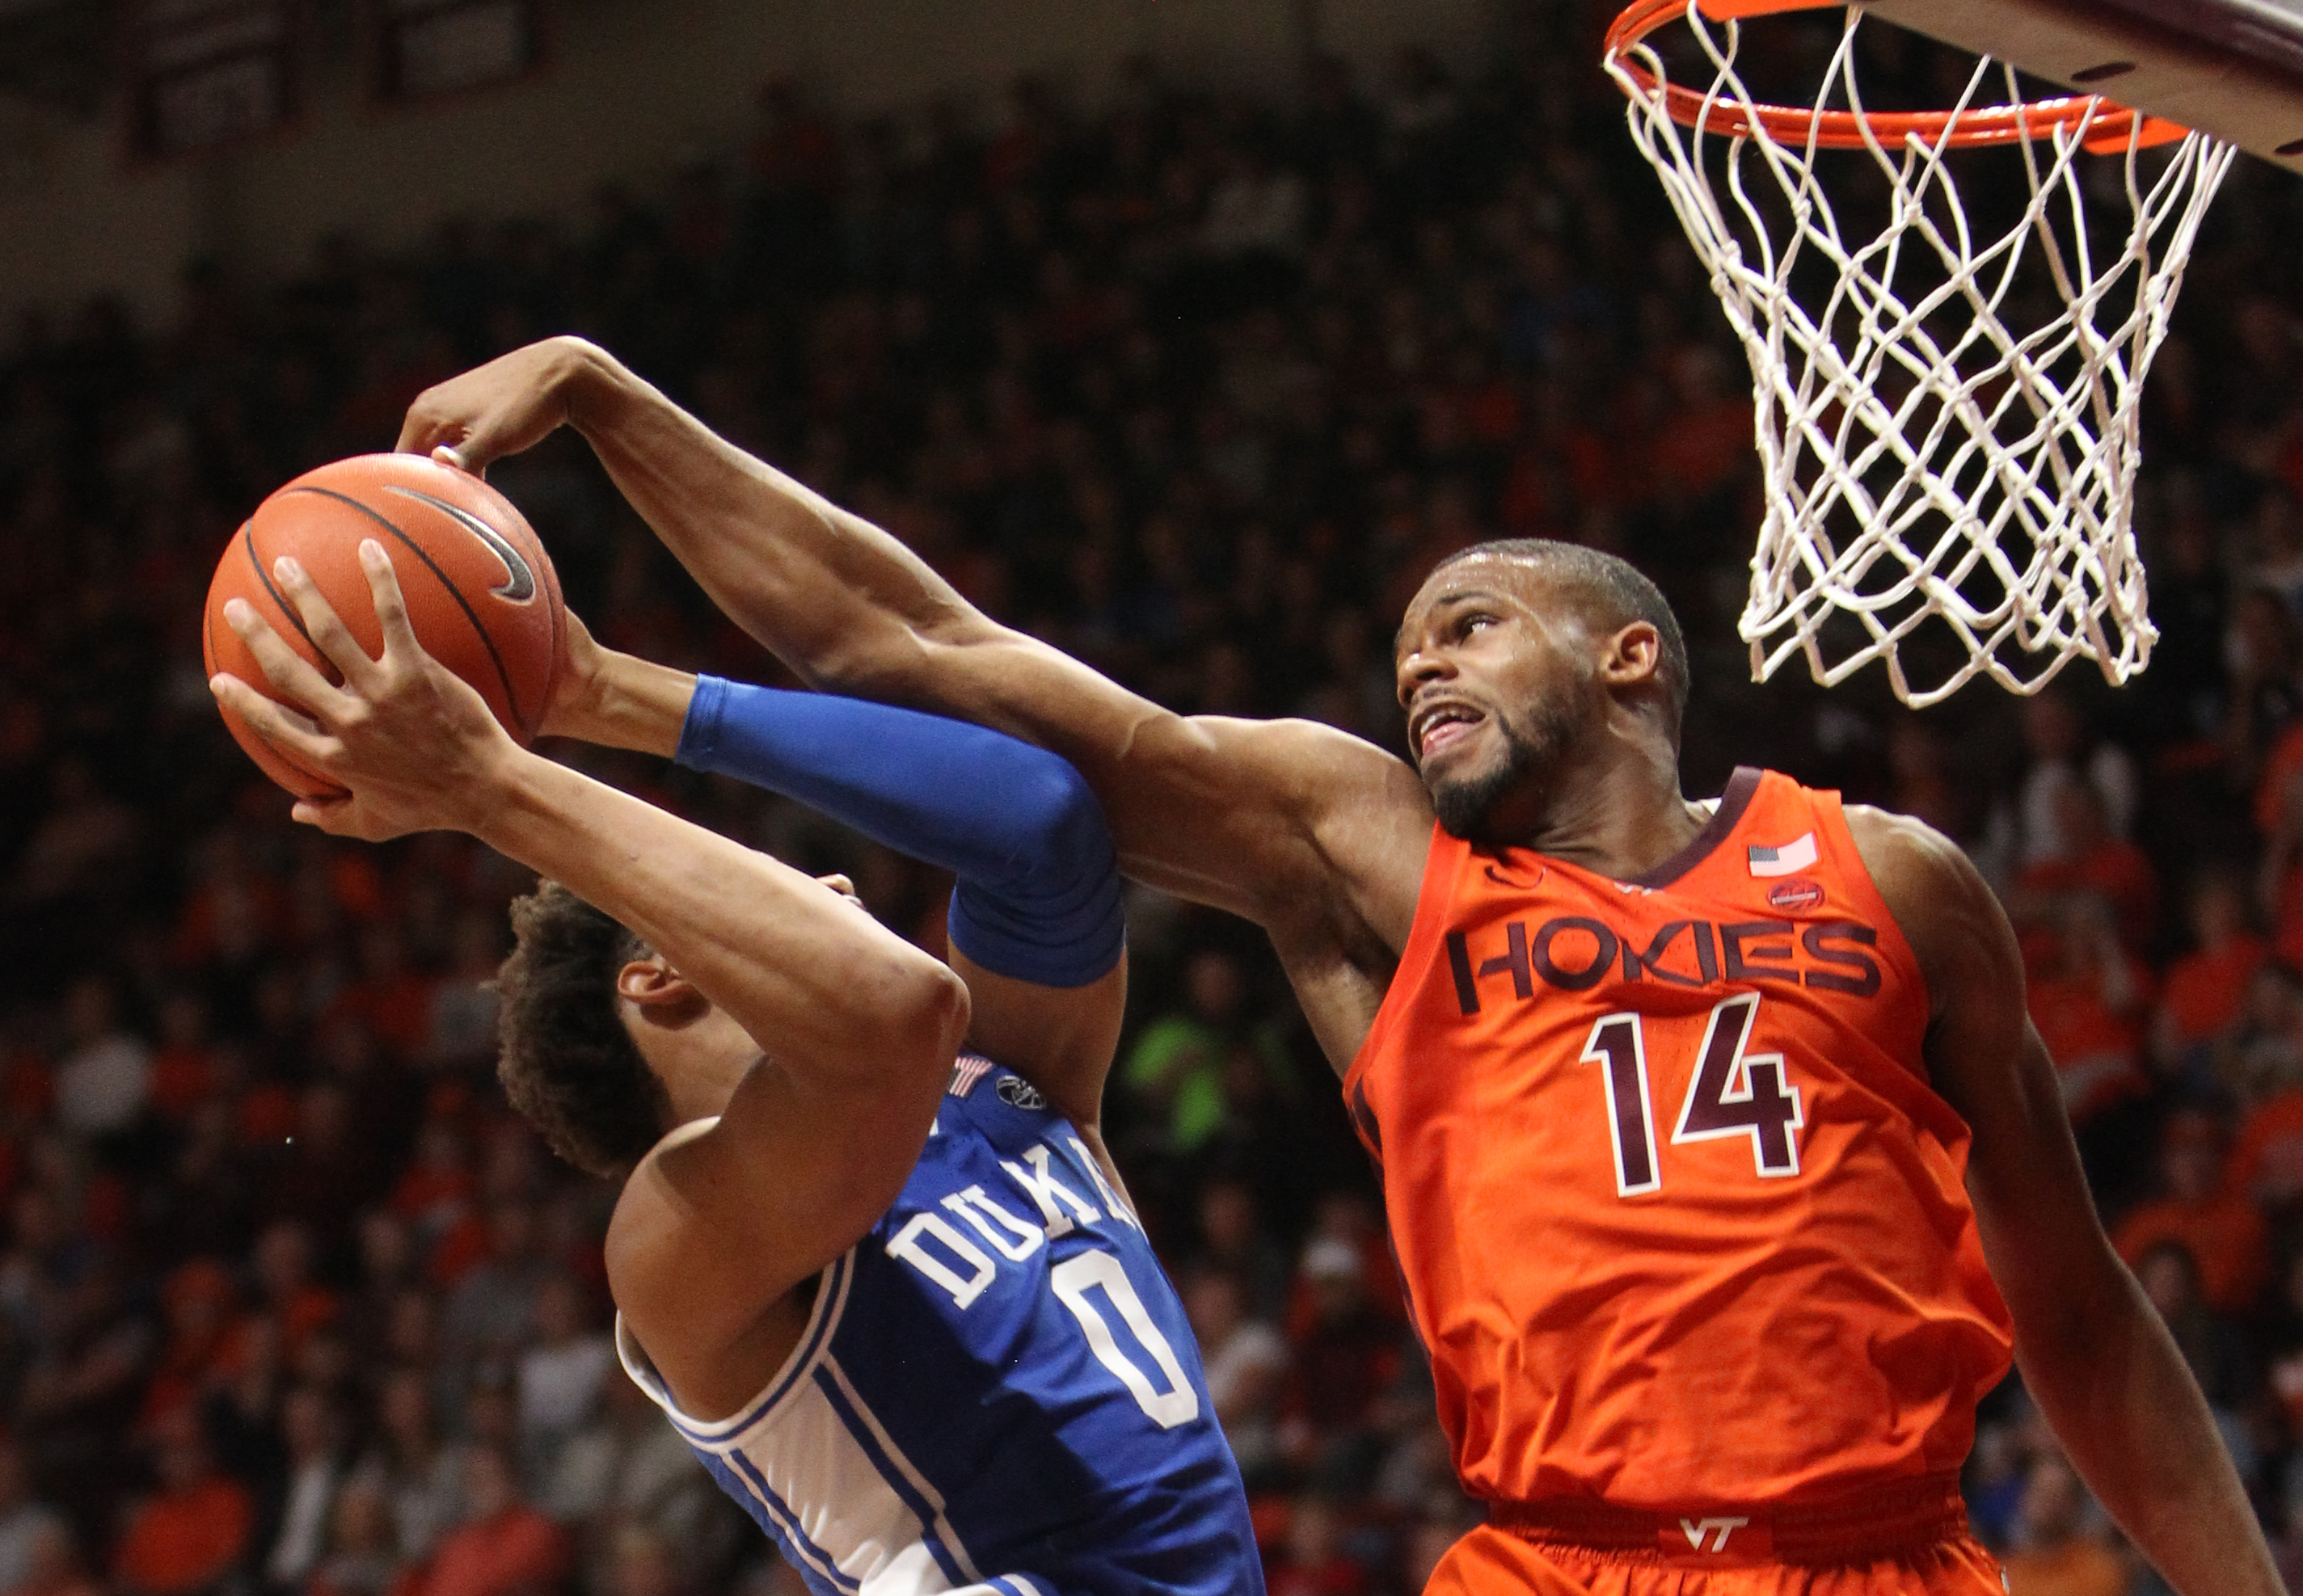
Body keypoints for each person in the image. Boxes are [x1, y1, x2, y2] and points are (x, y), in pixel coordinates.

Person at [395, 335, 2276, 1596]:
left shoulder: (1893, 875)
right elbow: (919, 642)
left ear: (1630, 658)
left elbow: (2087, 1317)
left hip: (1890, 1547)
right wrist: (603, 414)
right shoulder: (1372, 863)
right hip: (1565, 1555)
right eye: (1401, 652)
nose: (1419, 668)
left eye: (1466, 623)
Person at [207, 543, 1263, 1594]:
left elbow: (1042, 822)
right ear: (661, 970)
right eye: (781, 878)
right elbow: (891, 1009)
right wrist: (488, 787)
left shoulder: (998, 1077)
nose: (839, 876)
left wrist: (608, 694)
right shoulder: (677, 1233)